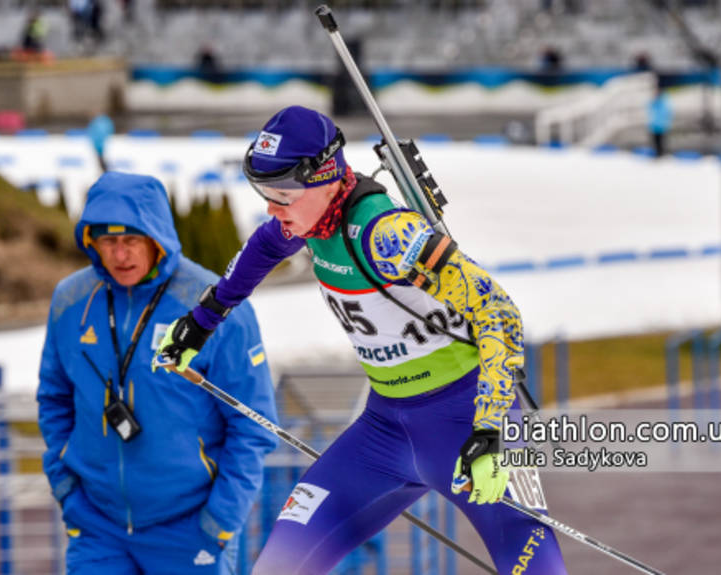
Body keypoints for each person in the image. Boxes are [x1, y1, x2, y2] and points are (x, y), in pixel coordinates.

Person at [154, 106, 568, 574]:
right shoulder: (311, 221)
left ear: (326, 179)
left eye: (282, 194)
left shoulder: (386, 233)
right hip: (384, 431)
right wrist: (202, 321)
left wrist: (491, 429)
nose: (272, 207)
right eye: (263, 192)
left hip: (466, 424)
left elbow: (498, 312)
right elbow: (264, 247)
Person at [37, 171, 278, 573]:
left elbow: (254, 425)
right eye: (108, 241)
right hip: (98, 526)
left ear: (157, 239)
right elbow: (54, 398)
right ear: (91, 242)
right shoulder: (71, 300)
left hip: (191, 527)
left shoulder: (214, 306)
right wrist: (67, 490)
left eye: (131, 240)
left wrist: (219, 522)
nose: (119, 255)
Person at [648, 83, 673, 158]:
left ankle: (661, 155)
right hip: (654, 125)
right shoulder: (654, 101)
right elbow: (650, 110)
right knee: (655, 142)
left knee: (661, 142)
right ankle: (657, 155)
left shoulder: (664, 101)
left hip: (662, 126)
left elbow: (666, 112)